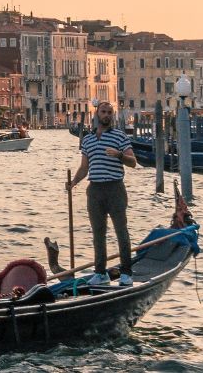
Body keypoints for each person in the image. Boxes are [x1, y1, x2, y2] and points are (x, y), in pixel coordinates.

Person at [68, 99, 137, 286]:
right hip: (95, 190)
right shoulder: (88, 140)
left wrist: (120, 155)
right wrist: (73, 182)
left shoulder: (120, 137)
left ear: (112, 116)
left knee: (121, 231)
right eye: (103, 112)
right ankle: (100, 273)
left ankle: (126, 273)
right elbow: (84, 167)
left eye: (109, 112)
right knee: (98, 233)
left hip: (115, 188)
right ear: (97, 115)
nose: (106, 115)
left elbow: (133, 162)